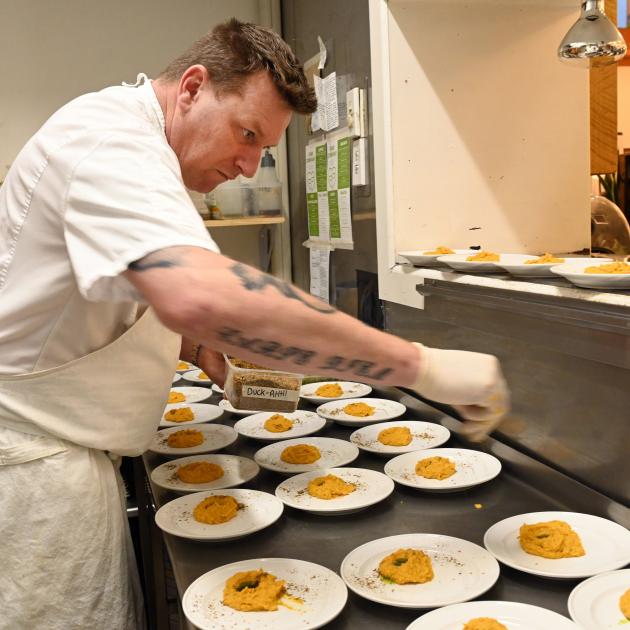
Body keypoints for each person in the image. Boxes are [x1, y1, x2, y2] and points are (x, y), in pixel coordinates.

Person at [0, 17, 509, 630]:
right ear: (192, 87)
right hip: (31, 480)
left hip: (59, 453)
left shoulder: (128, 138)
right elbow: (202, 295)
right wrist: (421, 367)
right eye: (245, 134)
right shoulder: (112, 144)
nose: (247, 166)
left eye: (262, 148)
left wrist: (188, 346)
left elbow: (109, 286)